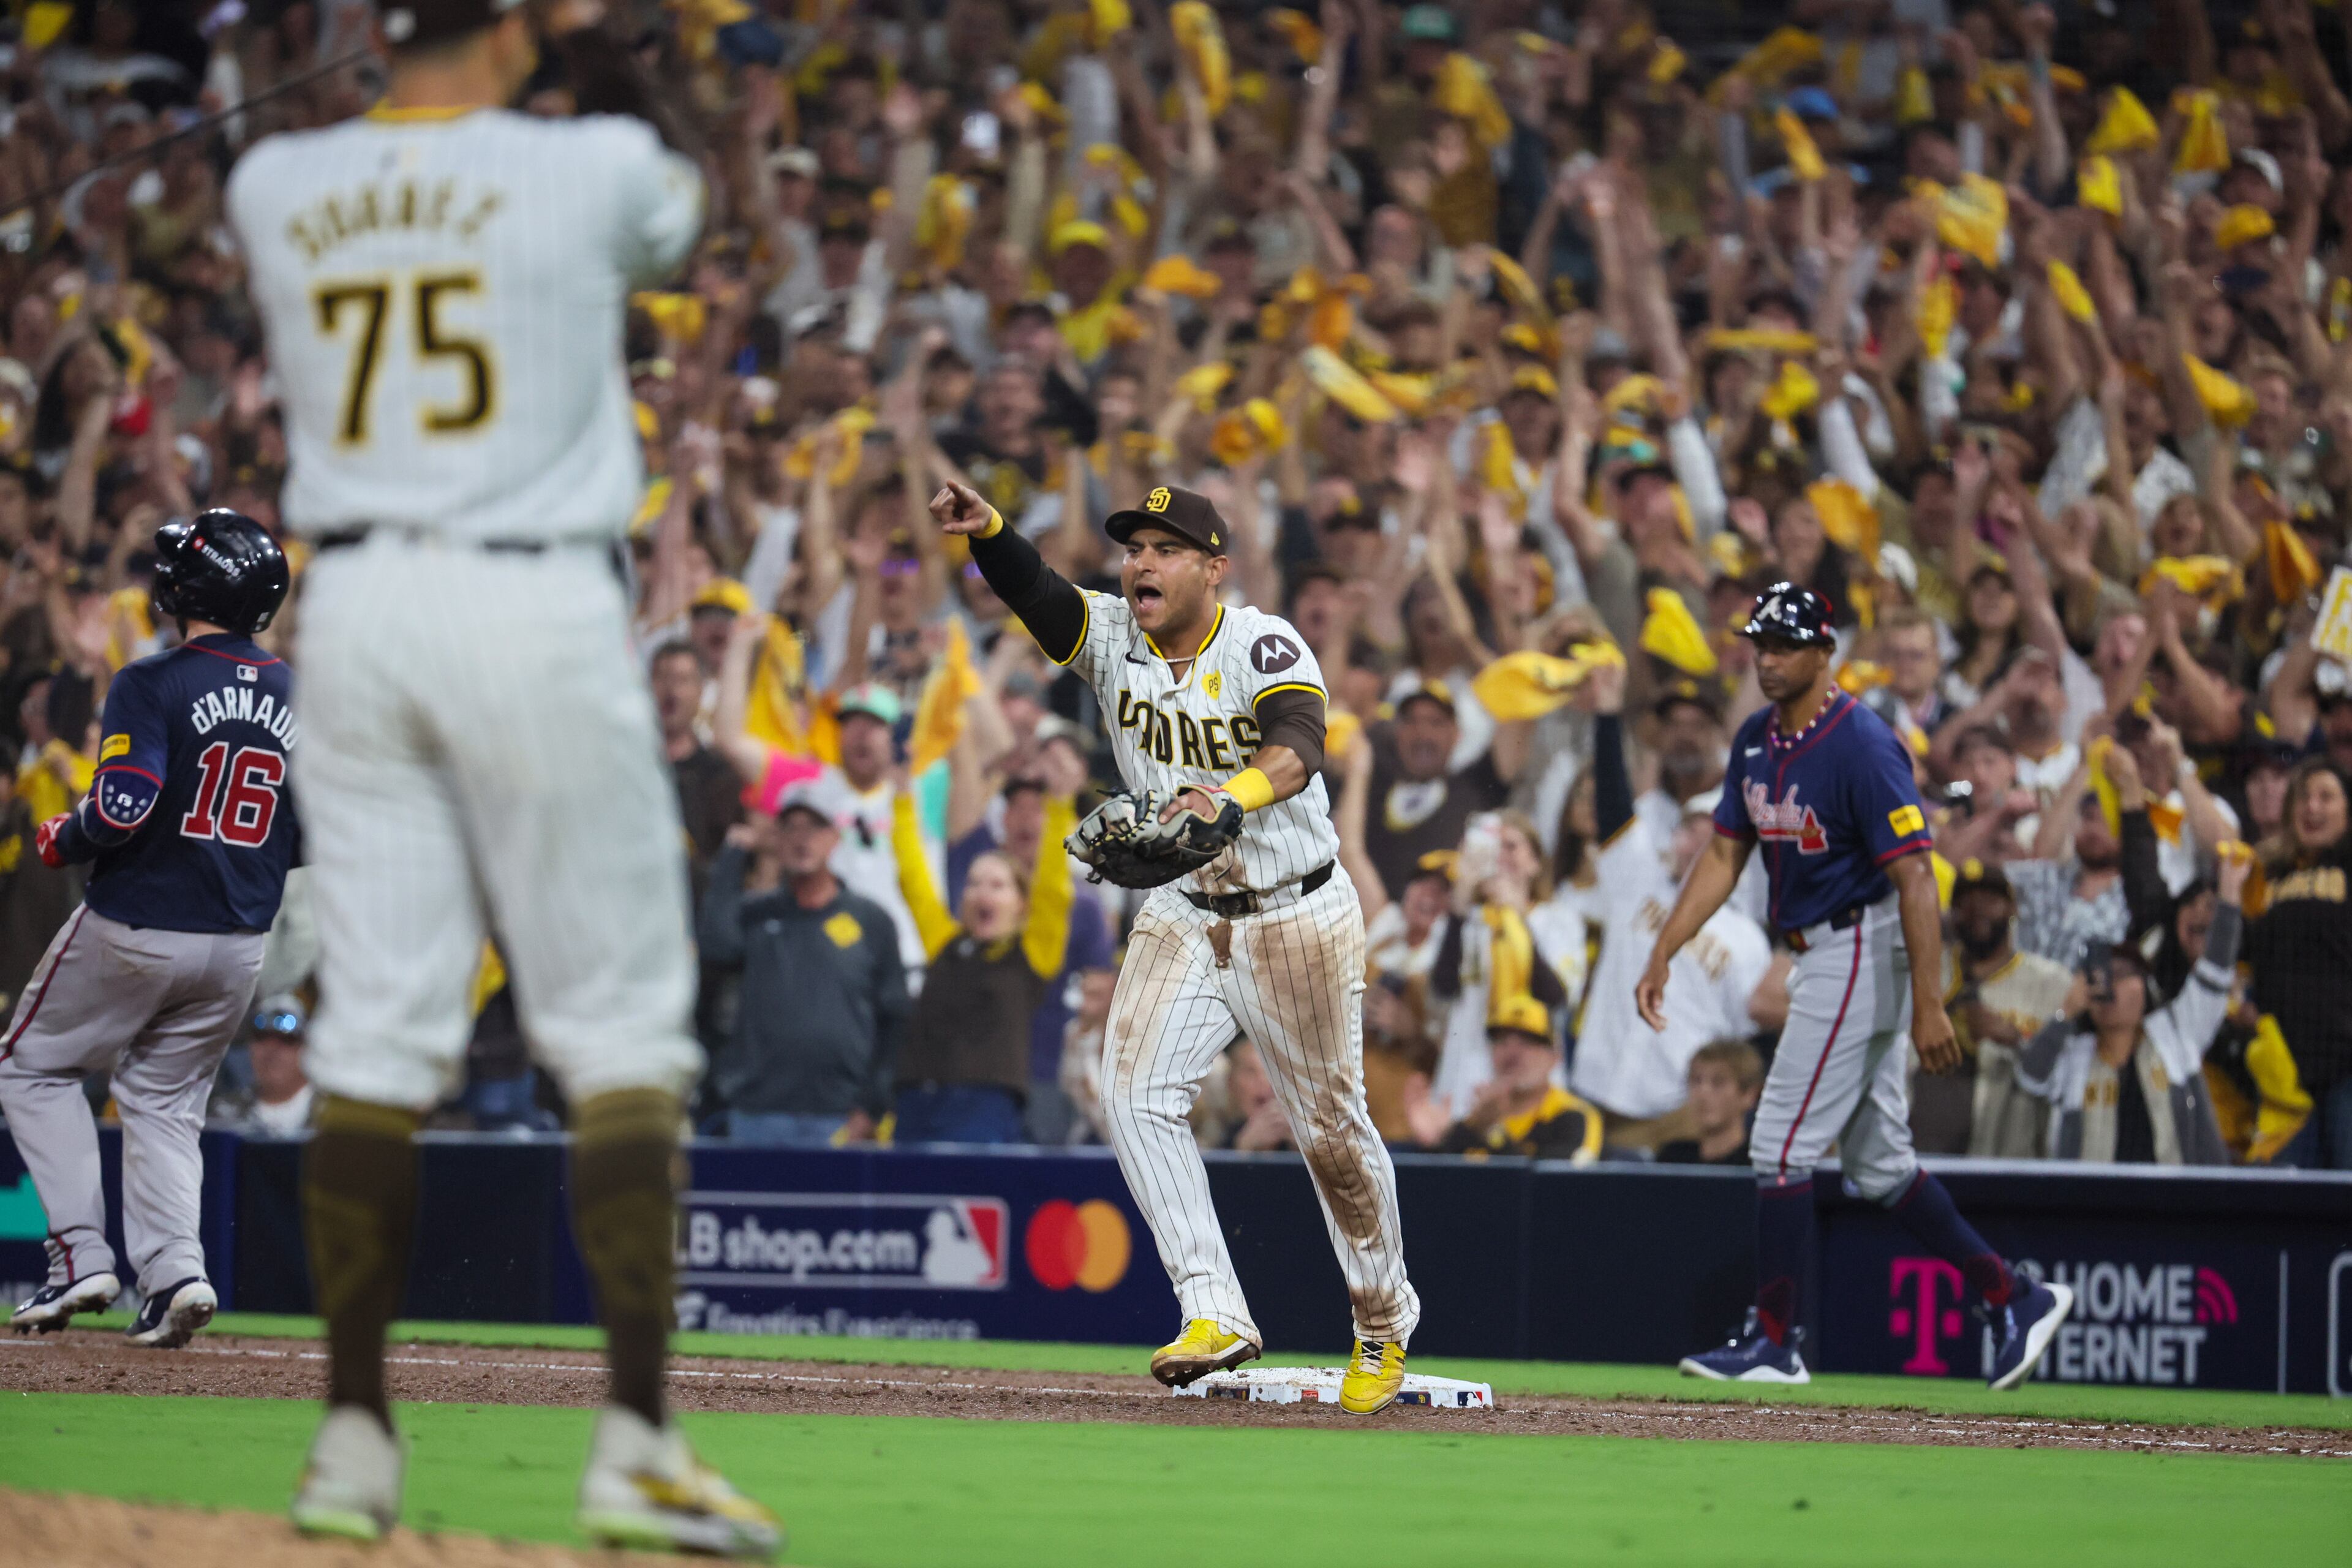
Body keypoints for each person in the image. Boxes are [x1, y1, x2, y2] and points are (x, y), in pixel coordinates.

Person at [230, 2, 778, 1551]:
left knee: (382, 1024)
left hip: (354, 608)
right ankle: (636, 1443)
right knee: (618, 1030)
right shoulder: (586, 161)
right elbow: (683, 210)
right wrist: (617, 58)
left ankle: (348, 1438)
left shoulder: (272, 186)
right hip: (533, 597)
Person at [933, 477, 1419, 1417]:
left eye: (1164, 548)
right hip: (1186, 907)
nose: (1141, 564)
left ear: (1213, 568)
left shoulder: (1260, 640)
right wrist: (991, 527)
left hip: (1295, 911)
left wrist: (1225, 798)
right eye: (1133, 548)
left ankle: (1381, 1319)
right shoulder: (1115, 634)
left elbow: (1301, 741)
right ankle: (1215, 1311)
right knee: (1131, 1091)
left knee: (1332, 1136)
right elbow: (1038, 593)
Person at [1640, 584, 2071, 1390]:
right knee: (1880, 1167)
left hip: (1861, 944)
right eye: (1759, 643)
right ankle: (2014, 1296)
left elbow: (1915, 878)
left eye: (1783, 644)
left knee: (1778, 1144)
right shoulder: (1755, 741)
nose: (1766, 657)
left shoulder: (1864, 744)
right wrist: (1667, 944)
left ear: (1822, 650)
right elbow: (1727, 853)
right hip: (1823, 949)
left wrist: (1933, 1003)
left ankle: (1775, 1340)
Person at [0, 510, 294, 1350]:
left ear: (189, 589)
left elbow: (124, 803)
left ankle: (79, 1259)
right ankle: (175, 1275)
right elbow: (304, 829)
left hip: (140, 920)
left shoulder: (152, 679)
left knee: (30, 1066)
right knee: (165, 1103)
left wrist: (69, 834)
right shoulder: (294, 691)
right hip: (238, 944)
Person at [1570, 660, 1771, 1148]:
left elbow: (1745, 1041)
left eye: (1712, 836)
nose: (1695, 844)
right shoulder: (1637, 882)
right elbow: (1615, 809)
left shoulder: (1747, 940)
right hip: (1593, 1097)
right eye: (1688, 831)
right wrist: (1607, 716)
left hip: (1676, 1115)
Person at [2012, 850, 2247, 1166]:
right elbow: (2031, 1075)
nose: (2109, 987)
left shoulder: (2178, 1032)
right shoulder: (2075, 1058)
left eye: (2122, 976)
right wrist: (2067, 1011)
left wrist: (2230, 895)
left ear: (2146, 987)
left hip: (2175, 1206)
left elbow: (2216, 971)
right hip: (2095, 1209)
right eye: (2100, 978)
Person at [698, 790, 906, 1147]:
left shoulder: (871, 921)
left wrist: (873, 1106)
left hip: (840, 1115)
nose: (802, 839)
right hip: (758, 1111)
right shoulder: (756, 914)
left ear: (835, 838)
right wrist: (734, 855)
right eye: (791, 828)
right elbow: (716, 944)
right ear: (776, 839)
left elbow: (896, 1020)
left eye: (815, 827)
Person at [889, 780, 1075, 1143]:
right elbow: (913, 876)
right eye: (974, 884)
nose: (982, 893)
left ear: (1022, 903)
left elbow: (1054, 889)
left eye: (997, 885)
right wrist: (901, 800)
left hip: (985, 1106)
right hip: (916, 1101)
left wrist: (1059, 805)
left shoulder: (1033, 952)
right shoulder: (945, 940)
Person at [1920, 861, 2076, 1159]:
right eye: (1965, 904)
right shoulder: (1927, 972)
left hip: (2009, 1155)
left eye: (1990, 901)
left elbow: (2071, 1071)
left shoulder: (2052, 983)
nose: (1977, 910)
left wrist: (2017, 1038)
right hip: (1927, 1150)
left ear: (2013, 910)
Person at [2248, 760, 2352, 1169]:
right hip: (2282, 1076)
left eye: (2326, 797)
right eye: (2304, 797)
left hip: (2348, 1067)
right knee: (2284, 1208)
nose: (2313, 807)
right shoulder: (2266, 873)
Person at [1434, 997, 1602, 1161]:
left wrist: (1492, 1132)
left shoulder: (1574, 1116)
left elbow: (1554, 1184)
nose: (1513, 1052)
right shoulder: (1477, 1119)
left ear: (1555, 1057)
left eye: (1529, 1041)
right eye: (1501, 1040)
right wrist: (1431, 1144)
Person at [218, 994, 318, 1139]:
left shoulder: (331, 1115)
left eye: (287, 1040)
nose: (271, 1050)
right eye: (261, 1037)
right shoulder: (222, 1115)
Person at [1656, 1041, 1765, 1167]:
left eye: (1718, 1082)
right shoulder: (1671, 1159)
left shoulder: (1758, 1165)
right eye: (1696, 1081)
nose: (1703, 1093)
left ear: (1749, 1095)